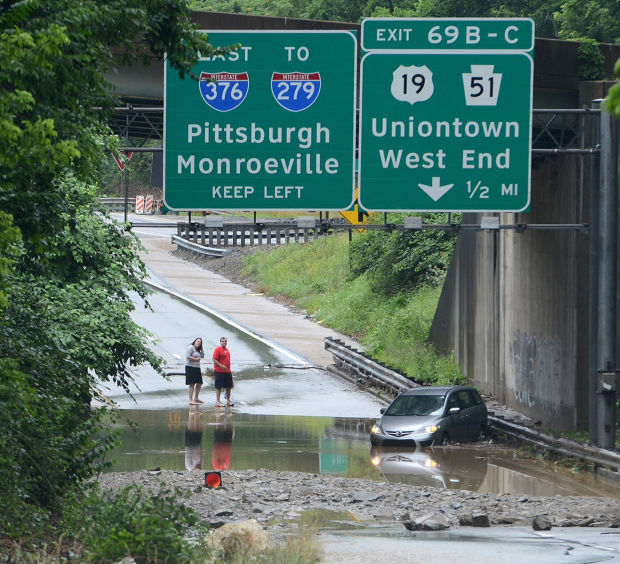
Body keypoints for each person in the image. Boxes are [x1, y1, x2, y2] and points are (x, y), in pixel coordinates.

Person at [212, 336, 234, 407]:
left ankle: (228, 400)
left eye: (225, 341)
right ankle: (218, 401)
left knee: (229, 386)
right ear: (220, 342)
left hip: (227, 371)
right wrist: (221, 365)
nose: (224, 342)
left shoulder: (227, 350)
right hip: (219, 371)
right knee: (219, 386)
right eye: (223, 341)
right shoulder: (218, 349)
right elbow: (214, 359)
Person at [185, 337, 204, 405]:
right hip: (190, 367)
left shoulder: (198, 349)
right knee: (192, 383)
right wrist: (196, 360)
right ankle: (190, 399)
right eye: (198, 341)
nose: (199, 343)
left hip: (197, 367)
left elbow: (202, 356)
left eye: (200, 342)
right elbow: (188, 357)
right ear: (195, 341)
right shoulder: (191, 347)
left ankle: (196, 397)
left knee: (199, 383)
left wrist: (202, 349)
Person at [184, 406, 203, 471]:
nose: (198, 470)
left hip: (190, 446)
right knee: (199, 430)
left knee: (191, 429)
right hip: (197, 446)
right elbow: (201, 457)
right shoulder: (199, 464)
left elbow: (187, 456)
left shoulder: (189, 467)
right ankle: (197, 415)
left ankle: (191, 414)